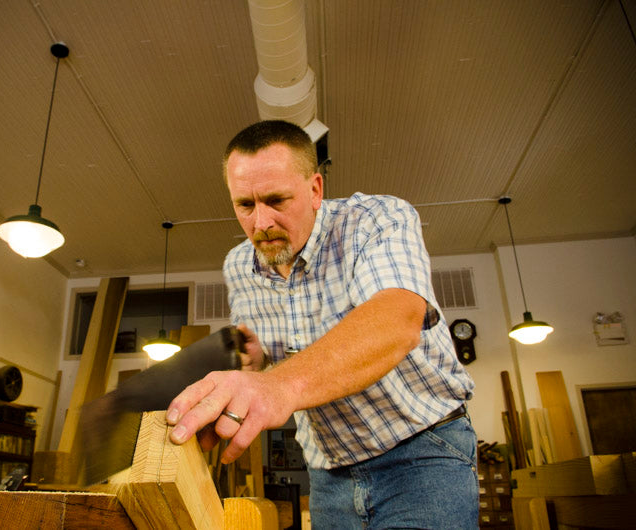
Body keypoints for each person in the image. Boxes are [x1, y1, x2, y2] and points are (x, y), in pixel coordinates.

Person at [166, 120, 477, 528]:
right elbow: (258, 354)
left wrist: (279, 386)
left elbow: (397, 319)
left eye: (277, 200)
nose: (260, 224)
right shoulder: (238, 265)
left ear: (315, 190)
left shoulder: (375, 220)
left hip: (421, 451)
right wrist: (245, 364)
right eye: (245, 205)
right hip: (329, 471)